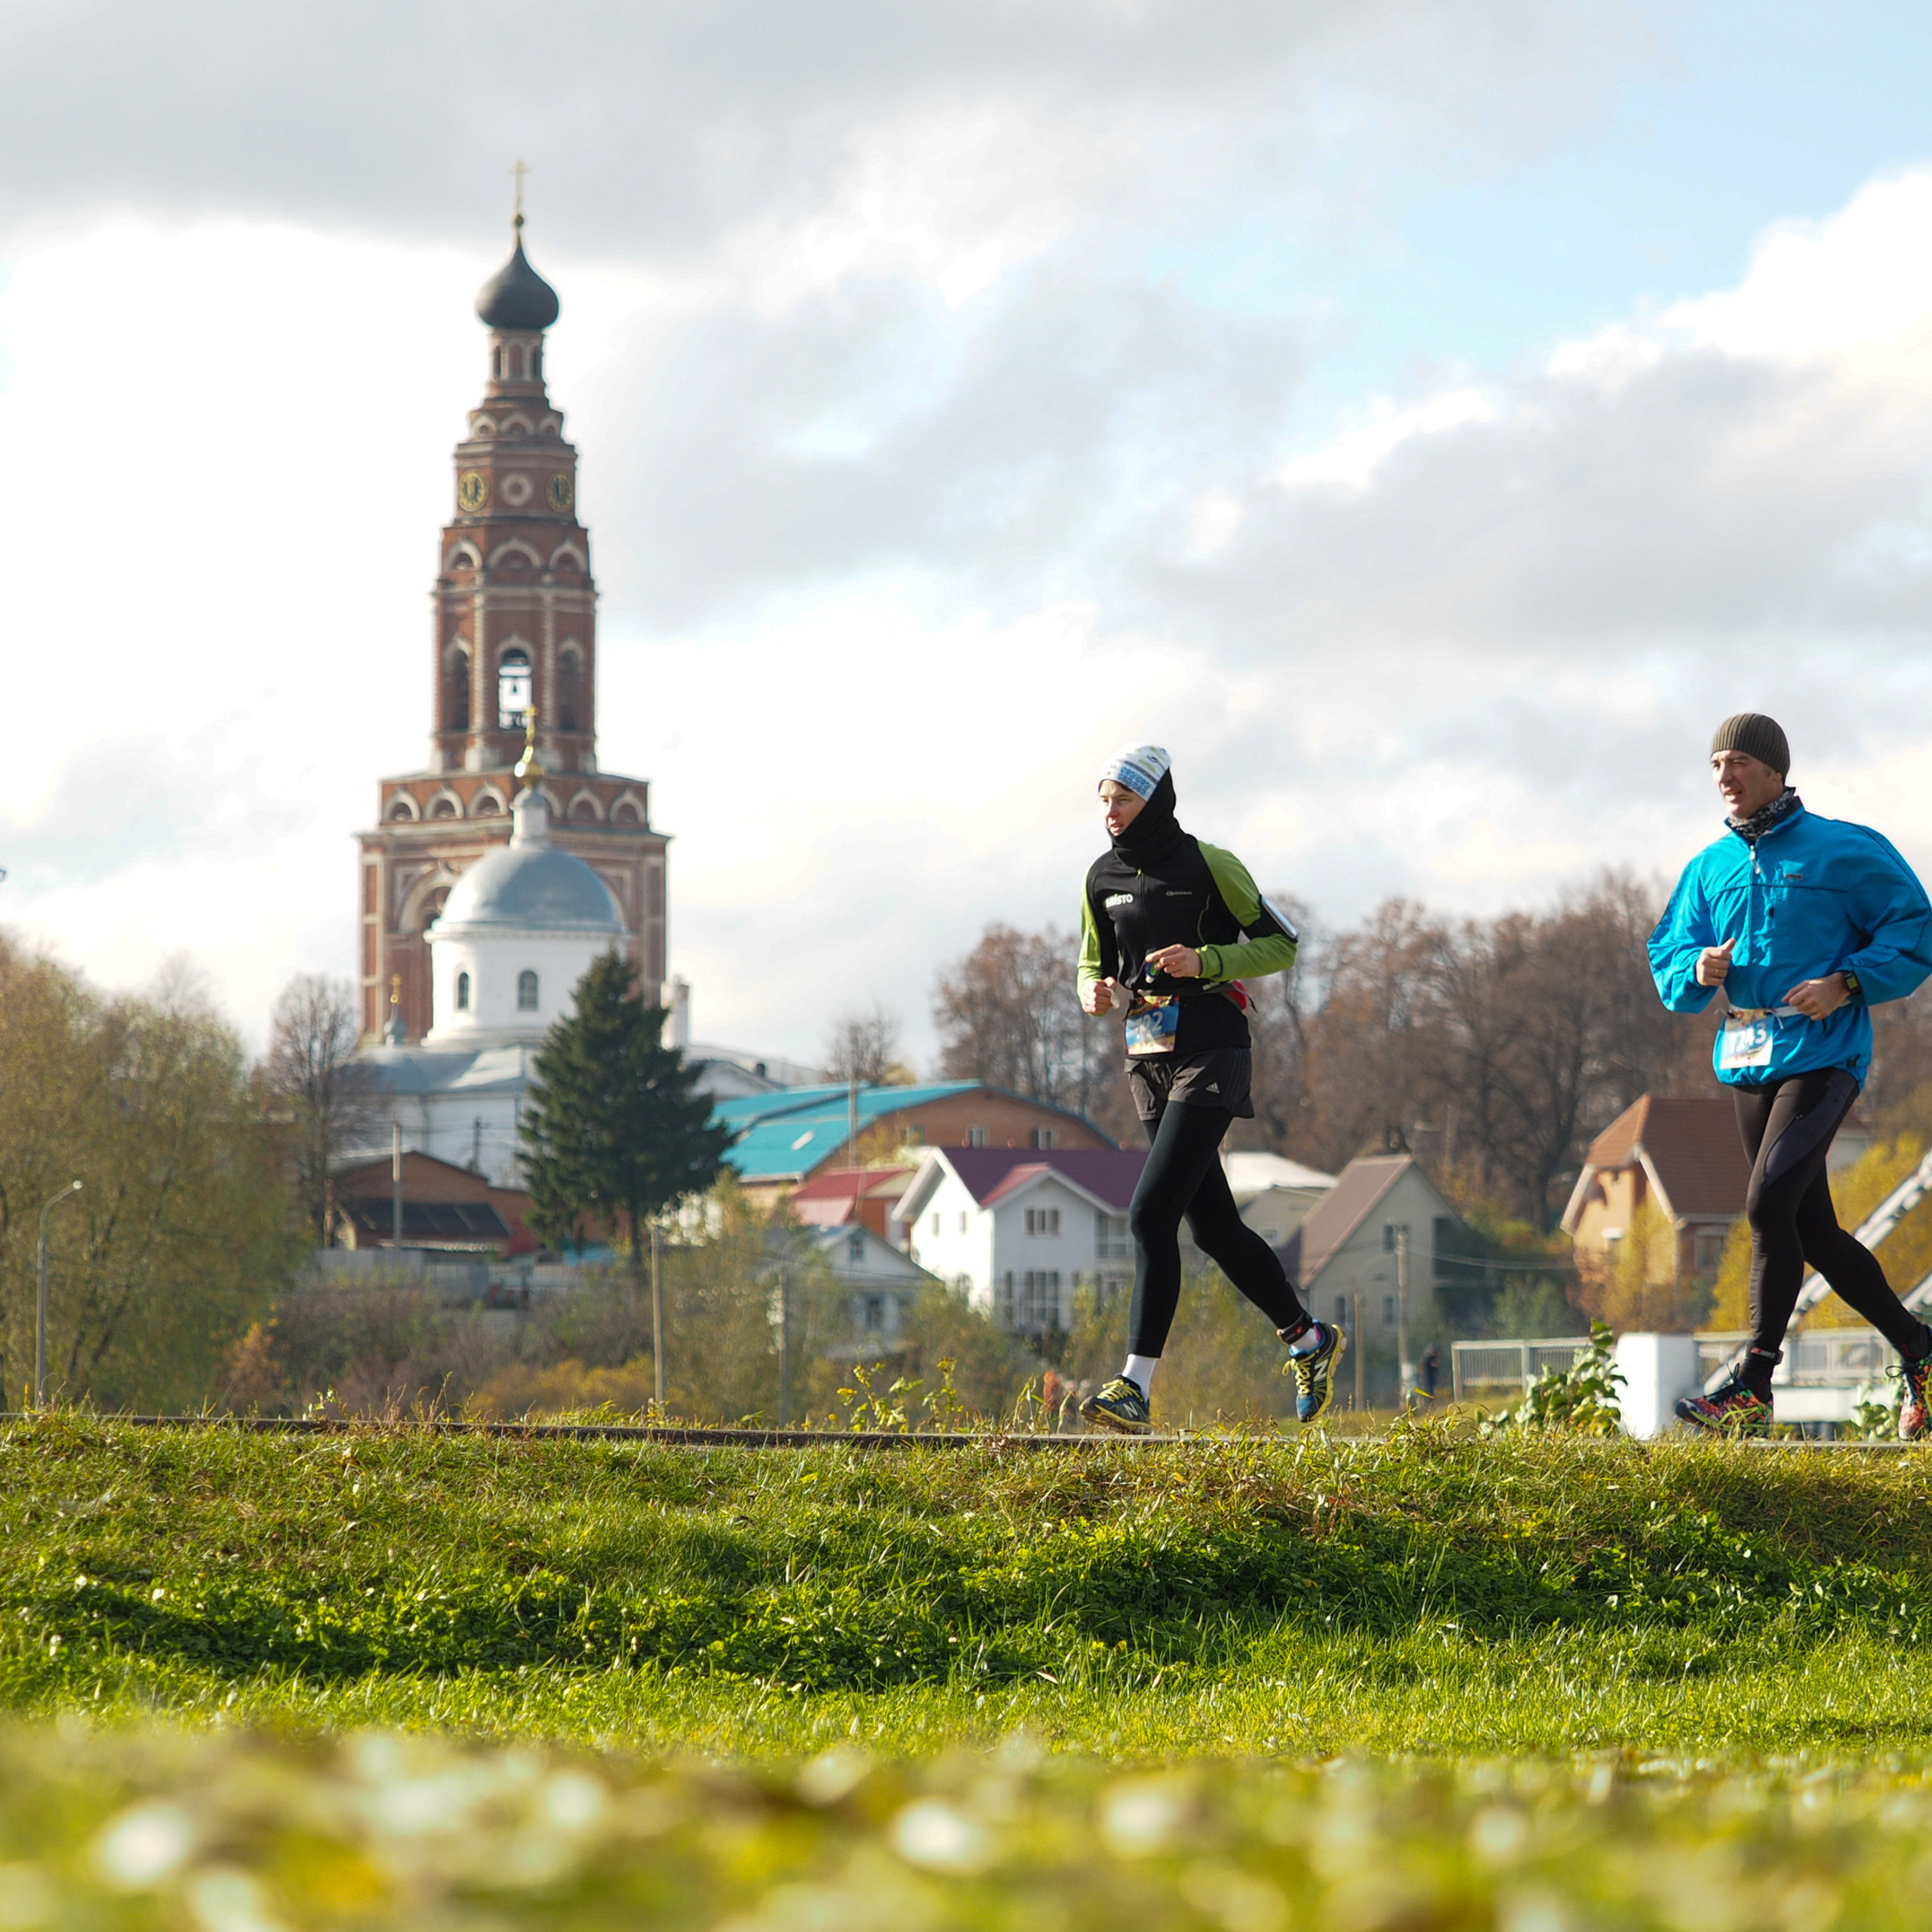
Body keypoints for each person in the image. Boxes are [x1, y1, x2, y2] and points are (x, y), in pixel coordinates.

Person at [1649, 713, 1932, 1437]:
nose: (1725, 777)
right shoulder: (1708, 867)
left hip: (1825, 1056)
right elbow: (1669, 956)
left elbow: (1915, 927)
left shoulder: (1844, 850)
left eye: (1738, 761)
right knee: (1813, 1230)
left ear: (1776, 770)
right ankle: (1920, 1349)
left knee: (1768, 1203)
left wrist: (1849, 980)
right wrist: (1697, 966)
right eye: (1716, 764)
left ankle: (1752, 1386)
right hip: (1747, 1061)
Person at [1074, 745, 1343, 1433]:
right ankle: (1307, 1338)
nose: (1110, 813)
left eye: (1123, 800)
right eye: (1104, 800)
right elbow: (1090, 965)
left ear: (1156, 801)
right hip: (1147, 1056)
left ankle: (1134, 1386)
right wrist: (1094, 993)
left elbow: (1282, 944)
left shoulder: (1210, 863)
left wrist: (1208, 960)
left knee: (1149, 1215)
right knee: (1214, 1227)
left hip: (1213, 1047)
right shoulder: (1099, 877)